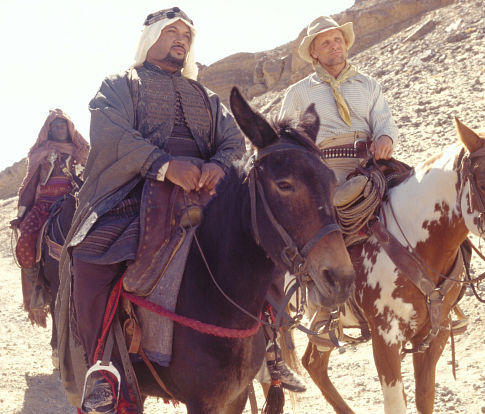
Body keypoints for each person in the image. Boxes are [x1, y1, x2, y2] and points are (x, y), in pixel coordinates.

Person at [55, 8, 244, 413]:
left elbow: (233, 142)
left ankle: (272, 354)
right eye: (171, 31)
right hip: (132, 192)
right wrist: (163, 164)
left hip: (204, 193)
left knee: (261, 242)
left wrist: (217, 165)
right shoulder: (120, 86)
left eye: (186, 35)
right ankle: (102, 369)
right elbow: (111, 133)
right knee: (88, 257)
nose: (180, 39)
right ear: (151, 37)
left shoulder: (206, 97)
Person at [11, 109, 89, 322]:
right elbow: (29, 185)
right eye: (55, 126)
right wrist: (21, 214)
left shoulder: (81, 151)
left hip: (75, 203)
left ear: (69, 128)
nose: (59, 129)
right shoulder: (41, 153)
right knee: (26, 241)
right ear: (49, 130)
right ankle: (37, 294)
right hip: (44, 205)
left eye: (63, 126)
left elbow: (91, 179)